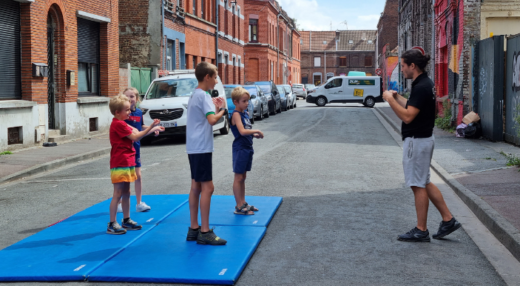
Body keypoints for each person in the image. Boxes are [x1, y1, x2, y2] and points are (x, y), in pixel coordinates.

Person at [382, 48, 461, 242]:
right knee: (424, 181)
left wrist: (390, 101)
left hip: (416, 141)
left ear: (412, 66)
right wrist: (398, 97)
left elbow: (408, 116)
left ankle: (421, 229)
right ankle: (448, 219)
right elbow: (412, 105)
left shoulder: (421, 86)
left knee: (417, 185)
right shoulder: (425, 83)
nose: (401, 69)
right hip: (424, 139)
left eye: (403, 66)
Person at [185, 62, 228, 245]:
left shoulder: (196, 94)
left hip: (194, 146)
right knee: (208, 188)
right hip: (202, 147)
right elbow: (211, 120)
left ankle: (194, 228)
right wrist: (223, 110)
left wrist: (215, 108)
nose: (217, 80)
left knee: (196, 186)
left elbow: (206, 117)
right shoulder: (204, 96)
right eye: (215, 76)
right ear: (207, 77)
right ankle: (205, 231)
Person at [107, 94, 162, 235]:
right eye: (126, 110)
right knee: (118, 193)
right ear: (117, 112)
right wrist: (151, 126)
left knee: (127, 192)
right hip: (120, 162)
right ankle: (112, 223)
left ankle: (126, 219)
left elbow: (137, 131)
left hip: (128, 160)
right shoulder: (118, 124)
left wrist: (151, 129)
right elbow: (136, 136)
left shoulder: (124, 123)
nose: (129, 112)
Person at [116, 87, 164, 213]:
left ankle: (139, 203)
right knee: (123, 177)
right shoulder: (123, 114)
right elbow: (135, 132)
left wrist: (153, 127)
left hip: (136, 148)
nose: (130, 99)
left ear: (137, 99)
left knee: (138, 176)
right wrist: (152, 129)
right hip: (125, 149)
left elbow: (140, 126)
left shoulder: (138, 113)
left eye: (132, 96)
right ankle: (119, 202)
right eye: (127, 97)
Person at [229, 87, 264, 215]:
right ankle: (238, 206)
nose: (247, 103)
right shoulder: (236, 114)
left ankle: (243, 202)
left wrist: (253, 135)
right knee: (238, 177)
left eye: (247, 101)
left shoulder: (245, 114)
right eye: (244, 101)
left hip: (248, 147)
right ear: (235, 102)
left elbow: (245, 131)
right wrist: (256, 130)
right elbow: (242, 131)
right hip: (240, 148)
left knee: (243, 176)